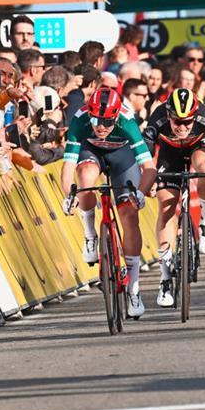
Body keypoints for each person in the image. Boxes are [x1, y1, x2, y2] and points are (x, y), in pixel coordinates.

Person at [61, 87, 157, 318]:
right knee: (85, 179)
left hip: (122, 157)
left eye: (107, 122)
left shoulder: (127, 122)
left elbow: (149, 168)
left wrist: (141, 194)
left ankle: (134, 288)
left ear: (116, 117)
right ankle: (90, 235)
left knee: (129, 214)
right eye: (95, 120)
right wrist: (68, 195)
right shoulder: (79, 120)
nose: (101, 127)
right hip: (90, 152)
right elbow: (67, 168)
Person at [143, 88, 205, 307]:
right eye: (176, 122)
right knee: (166, 206)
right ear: (168, 115)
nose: (182, 127)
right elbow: (144, 155)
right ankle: (164, 279)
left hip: (200, 147)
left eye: (187, 122)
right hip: (170, 154)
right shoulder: (158, 117)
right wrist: (147, 180)